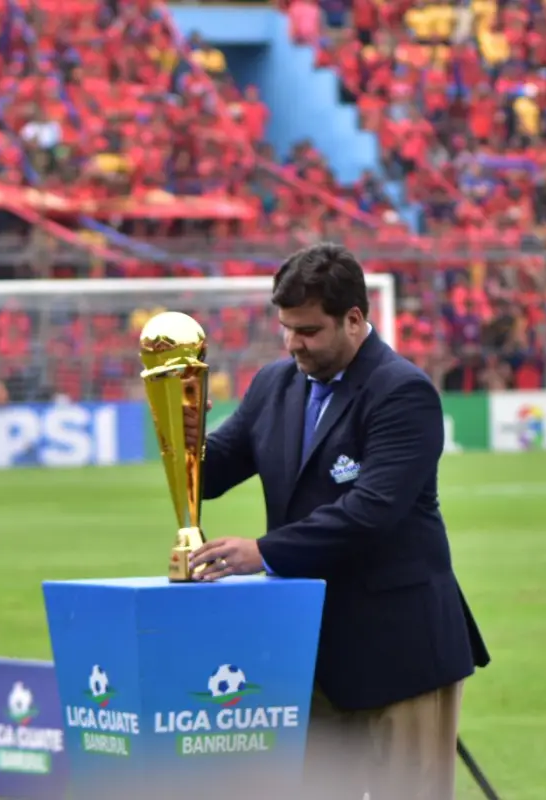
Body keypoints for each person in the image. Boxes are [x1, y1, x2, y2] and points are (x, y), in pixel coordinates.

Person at [187, 243, 490, 800]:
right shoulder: (273, 385)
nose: (293, 343)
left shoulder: (402, 391)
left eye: (308, 330)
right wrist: (178, 432)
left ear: (355, 319)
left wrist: (263, 551)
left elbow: (370, 511)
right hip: (309, 653)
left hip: (401, 652)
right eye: (286, 328)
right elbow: (209, 474)